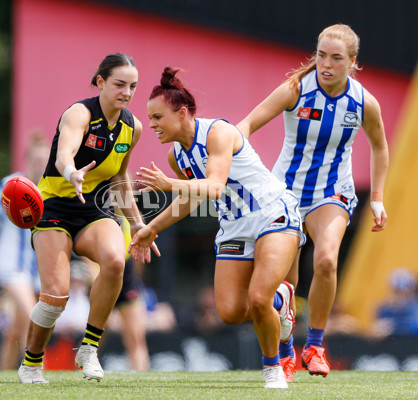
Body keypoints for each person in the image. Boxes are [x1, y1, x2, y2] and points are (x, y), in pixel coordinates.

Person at [129, 67, 303, 389]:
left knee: (259, 297)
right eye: (149, 118)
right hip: (235, 227)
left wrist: (168, 185)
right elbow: (190, 200)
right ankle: (283, 301)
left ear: (181, 114)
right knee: (231, 312)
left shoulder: (218, 133)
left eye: (157, 117)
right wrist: (151, 228)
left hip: (271, 213)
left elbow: (213, 188)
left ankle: (273, 369)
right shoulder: (175, 156)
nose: (151, 125)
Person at [236, 24, 389, 380]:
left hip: (332, 192)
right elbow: (247, 125)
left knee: (325, 261)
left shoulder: (364, 102)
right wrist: (236, 165)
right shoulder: (295, 90)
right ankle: (286, 351)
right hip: (284, 194)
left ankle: (316, 344)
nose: (326, 64)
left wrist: (378, 198)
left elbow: (380, 147)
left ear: (352, 62)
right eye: (321, 55)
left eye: (337, 58)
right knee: (284, 286)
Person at [17, 52, 156, 384]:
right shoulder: (79, 113)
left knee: (115, 261)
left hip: (93, 208)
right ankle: (31, 362)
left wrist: (138, 224)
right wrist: (71, 172)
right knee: (55, 295)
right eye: (119, 84)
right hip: (53, 206)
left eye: (133, 86)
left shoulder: (131, 127)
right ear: (100, 82)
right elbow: (65, 152)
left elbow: (121, 177)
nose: (126, 92)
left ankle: (89, 348)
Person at [0, 133, 49, 370]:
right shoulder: (11, 185)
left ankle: (3, 376)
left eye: (44, 160)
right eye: (37, 159)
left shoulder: (49, 190)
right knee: (33, 316)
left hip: (34, 272)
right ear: (27, 159)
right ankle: (36, 371)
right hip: (11, 267)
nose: (40, 164)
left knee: (14, 334)